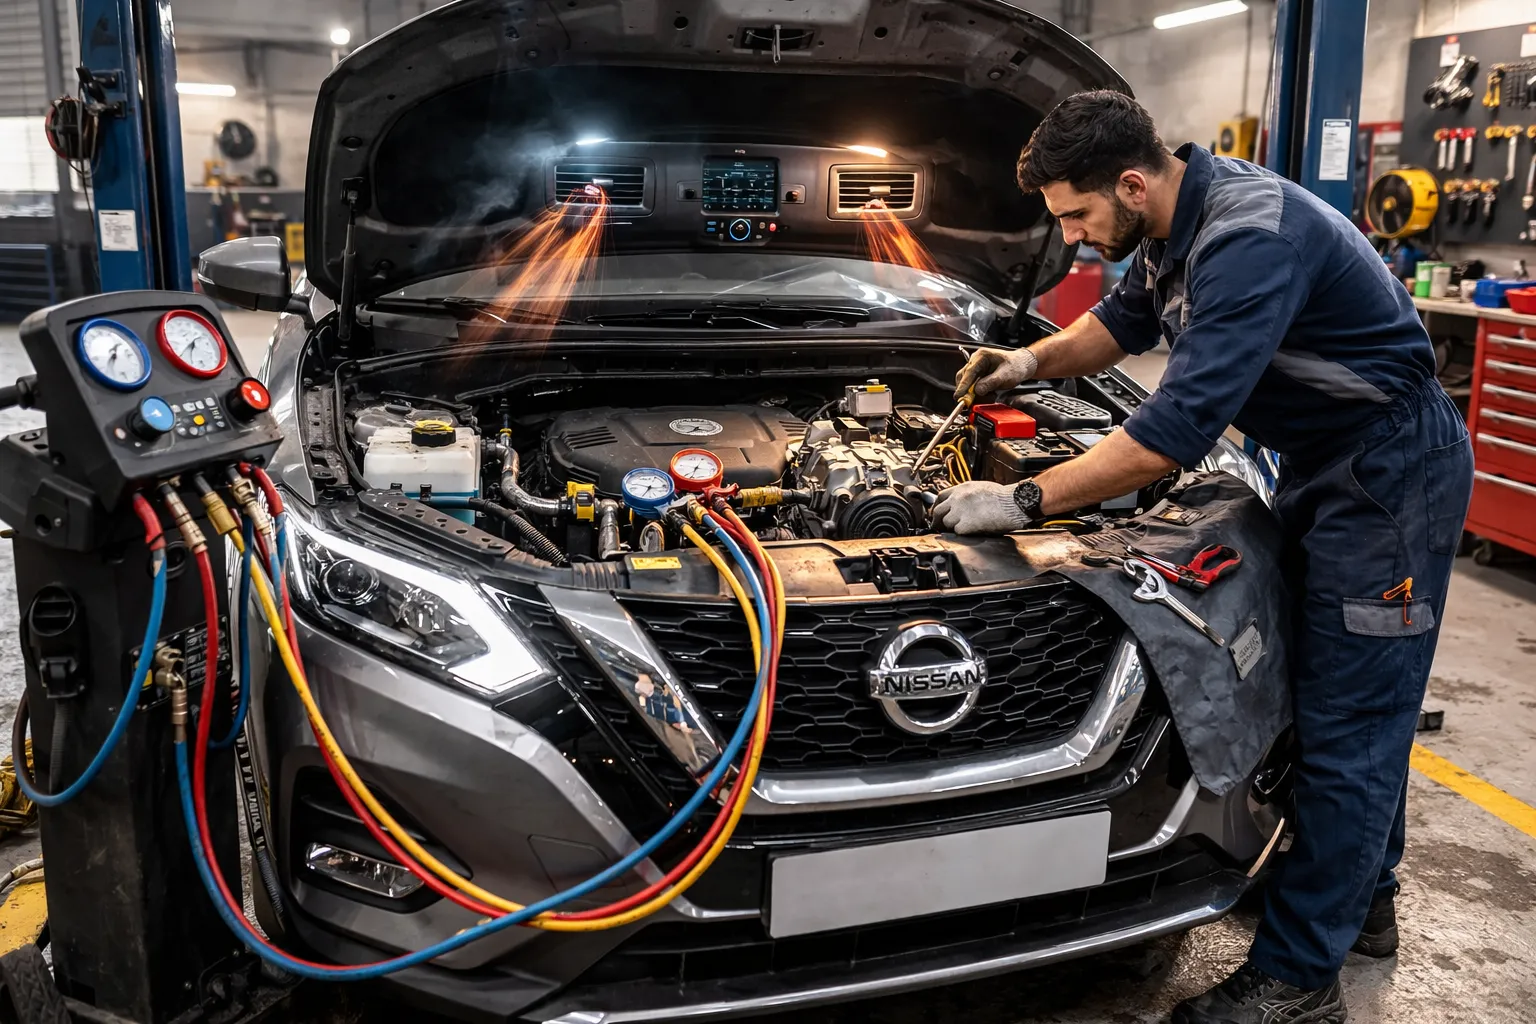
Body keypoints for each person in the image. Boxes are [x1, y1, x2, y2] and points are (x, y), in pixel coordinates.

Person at [933, 90, 1473, 1024]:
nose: (1070, 236)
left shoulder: (1247, 241)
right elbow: (1120, 326)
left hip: (1390, 476)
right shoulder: (1171, 226)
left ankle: (1300, 980)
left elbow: (1169, 435)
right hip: (1321, 463)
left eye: (1075, 215)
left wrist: (1019, 498)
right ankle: (1361, 903)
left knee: (1355, 721)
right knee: (1328, 700)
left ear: (1132, 184)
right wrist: (1027, 364)